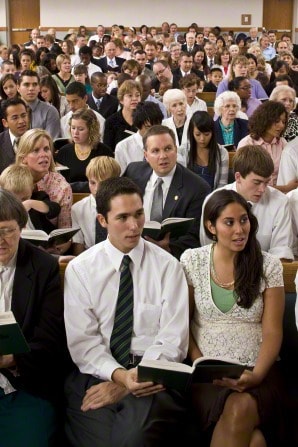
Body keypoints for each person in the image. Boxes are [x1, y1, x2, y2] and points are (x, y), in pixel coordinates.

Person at [64, 176, 190, 447]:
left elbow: (173, 341)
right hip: (96, 373)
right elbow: (83, 343)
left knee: (131, 440)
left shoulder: (168, 267)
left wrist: (131, 381)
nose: (134, 226)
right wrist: (119, 377)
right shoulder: (81, 269)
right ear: (102, 221)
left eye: (139, 214)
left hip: (154, 377)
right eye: (122, 217)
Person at [180, 188, 287, 447]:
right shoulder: (192, 260)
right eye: (229, 222)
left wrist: (257, 375)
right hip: (207, 377)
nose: (240, 230)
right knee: (253, 441)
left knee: (240, 407)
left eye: (244, 220)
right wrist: (201, 365)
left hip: (259, 371)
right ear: (211, 226)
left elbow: (273, 331)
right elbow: (183, 325)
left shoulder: (269, 265)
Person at [0, 188, 69, 446]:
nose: (1, 240)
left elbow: (51, 340)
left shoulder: (42, 267)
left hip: (25, 382)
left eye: (7, 230)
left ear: (21, 227)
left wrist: (11, 358)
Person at [123, 125, 211, 259]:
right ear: (146, 155)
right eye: (155, 151)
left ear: (176, 150)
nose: (163, 156)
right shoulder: (133, 172)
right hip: (133, 252)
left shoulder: (197, 188)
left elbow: (195, 236)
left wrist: (169, 247)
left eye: (168, 149)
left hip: (173, 259)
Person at [200, 144, 294, 261]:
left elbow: (281, 254)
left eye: (266, 182)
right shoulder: (213, 201)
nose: (262, 189)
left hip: (264, 273)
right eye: (256, 182)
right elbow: (208, 249)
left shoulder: (280, 202)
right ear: (238, 177)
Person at [16, 128, 73, 230]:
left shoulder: (61, 186)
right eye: (36, 150)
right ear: (23, 157)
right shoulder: (10, 179)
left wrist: (61, 243)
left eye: (46, 149)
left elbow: (65, 230)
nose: (44, 155)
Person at [71, 156, 121, 255]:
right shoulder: (78, 209)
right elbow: (78, 247)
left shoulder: (124, 206)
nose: (97, 189)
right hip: (90, 258)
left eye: (103, 183)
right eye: (92, 183)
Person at [55, 108, 113, 187]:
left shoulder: (104, 152)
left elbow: (108, 183)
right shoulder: (64, 152)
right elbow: (59, 182)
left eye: (81, 129)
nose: (75, 133)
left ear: (91, 130)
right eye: (73, 128)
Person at [237, 100, 288, 186]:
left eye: (283, 122)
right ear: (265, 120)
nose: (281, 125)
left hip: (280, 195)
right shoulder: (247, 143)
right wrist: (285, 188)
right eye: (277, 121)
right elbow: (243, 179)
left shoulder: (282, 143)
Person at [0, 163, 61, 234]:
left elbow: (55, 209)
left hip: (39, 242)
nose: (20, 203)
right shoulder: (3, 206)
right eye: (15, 199)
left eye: (24, 198)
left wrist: (30, 203)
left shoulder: (38, 197)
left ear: (32, 189)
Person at [115, 101, 163, 174]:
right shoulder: (123, 147)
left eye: (157, 126)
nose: (153, 131)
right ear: (138, 125)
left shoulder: (166, 143)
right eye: (148, 127)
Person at [187, 111, 229, 190]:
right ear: (192, 133)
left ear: (212, 133)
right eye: (198, 134)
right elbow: (181, 184)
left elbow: (222, 186)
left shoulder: (222, 153)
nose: (202, 139)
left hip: (213, 199)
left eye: (206, 134)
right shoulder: (183, 151)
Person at [17, 69, 61, 139]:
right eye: (26, 84)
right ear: (18, 88)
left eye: (35, 84)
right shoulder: (10, 111)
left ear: (39, 88)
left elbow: (51, 142)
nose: (31, 88)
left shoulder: (50, 111)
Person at [103, 79, 142, 151]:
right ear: (121, 99)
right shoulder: (111, 122)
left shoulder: (144, 119)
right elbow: (108, 150)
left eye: (137, 95)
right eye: (130, 96)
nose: (134, 99)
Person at [162, 88, 192, 167]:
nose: (179, 109)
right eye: (174, 105)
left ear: (186, 104)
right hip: (171, 166)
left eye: (181, 104)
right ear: (169, 109)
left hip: (191, 167)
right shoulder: (164, 125)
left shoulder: (193, 123)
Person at [0, 97, 30, 173]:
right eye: (15, 118)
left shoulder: (38, 139)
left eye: (23, 115)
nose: (21, 121)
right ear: (5, 122)